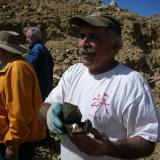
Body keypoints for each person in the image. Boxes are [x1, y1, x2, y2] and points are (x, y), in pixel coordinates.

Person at [39, 11, 160, 160]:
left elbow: (147, 141)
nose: (84, 43)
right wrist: (50, 114)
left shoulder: (131, 82)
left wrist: (111, 148)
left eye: (93, 37)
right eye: (82, 36)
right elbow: (44, 108)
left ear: (115, 46)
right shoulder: (73, 72)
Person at [0, 31, 46, 160]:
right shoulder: (12, 66)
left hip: (17, 141)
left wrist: (13, 144)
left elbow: (19, 111)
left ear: (2, 50)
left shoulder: (17, 69)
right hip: (11, 137)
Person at [25, 27, 53, 101]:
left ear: (35, 37)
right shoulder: (42, 48)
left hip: (37, 89)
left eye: (28, 37)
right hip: (44, 89)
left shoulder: (36, 50)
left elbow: (28, 69)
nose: (26, 40)